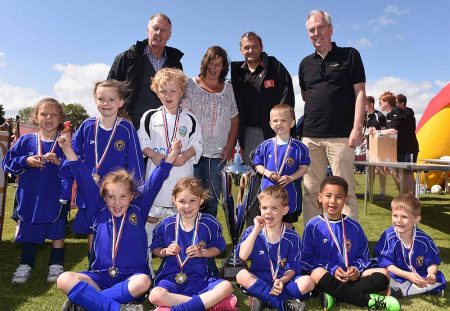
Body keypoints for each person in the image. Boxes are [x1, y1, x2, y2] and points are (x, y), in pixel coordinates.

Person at [56, 133, 181, 311]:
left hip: (132, 278)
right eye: (111, 197)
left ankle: (86, 304)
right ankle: (116, 308)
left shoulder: (139, 208)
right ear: (104, 197)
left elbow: (156, 180)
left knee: (144, 281)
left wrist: (172, 155)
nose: (117, 202)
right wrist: (68, 149)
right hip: (100, 277)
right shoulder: (98, 209)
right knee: (64, 279)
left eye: (123, 196)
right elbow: (83, 178)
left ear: (132, 196)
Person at [299, 10, 366, 225]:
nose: (316, 33)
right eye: (311, 30)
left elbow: (360, 93)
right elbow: (307, 96)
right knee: (311, 193)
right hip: (310, 137)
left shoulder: (350, 55)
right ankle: (314, 240)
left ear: (330, 29)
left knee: (344, 193)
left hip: (341, 136)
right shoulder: (305, 64)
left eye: (320, 28)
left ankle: (349, 244)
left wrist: (357, 127)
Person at [137, 68, 202, 276]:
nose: (168, 95)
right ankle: (145, 262)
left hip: (181, 177)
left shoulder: (190, 119)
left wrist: (186, 154)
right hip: (156, 179)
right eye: (163, 91)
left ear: (181, 92)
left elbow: (198, 144)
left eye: (173, 91)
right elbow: (142, 142)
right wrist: (153, 155)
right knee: (150, 220)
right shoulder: (149, 117)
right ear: (156, 92)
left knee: (179, 223)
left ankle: (176, 266)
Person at [301, 176, 400, 311]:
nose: (332, 201)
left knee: (383, 274)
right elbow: (306, 260)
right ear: (320, 197)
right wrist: (332, 269)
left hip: (351, 278)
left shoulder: (354, 227)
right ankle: (369, 301)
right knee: (317, 273)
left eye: (338, 197)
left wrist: (356, 270)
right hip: (327, 277)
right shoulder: (313, 226)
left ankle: (335, 295)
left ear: (346, 200)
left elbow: (363, 257)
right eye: (328, 196)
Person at [71, 80, 145, 257]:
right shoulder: (87, 125)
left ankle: (115, 263)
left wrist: (136, 188)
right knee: (93, 228)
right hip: (90, 188)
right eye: (101, 99)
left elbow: (135, 161)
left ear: (120, 102)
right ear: (95, 100)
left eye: (111, 100)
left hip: (116, 191)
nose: (106, 103)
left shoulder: (126, 128)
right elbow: (74, 154)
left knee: (116, 225)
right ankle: (94, 264)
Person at [2, 98, 72, 284]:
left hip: (56, 198)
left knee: (57, 232)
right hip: (30, 198)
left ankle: (56, 264)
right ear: (35, 117)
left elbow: (74, 167)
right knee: (30, 231)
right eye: (44, 114)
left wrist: (59, 163)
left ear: (60, 119)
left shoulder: (65, 143)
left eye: (54, 114)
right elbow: (7, 164)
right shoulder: (25, 141)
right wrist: (26, 161)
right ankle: (26, 264)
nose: (49, 118)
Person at [231, 31, 295, 226]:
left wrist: (281, 128)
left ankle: (281, 226)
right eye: (246, 47)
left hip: (273, 135)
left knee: (275, 180)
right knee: (251, 183)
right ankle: (253, 226)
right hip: (249, 133)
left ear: (261, 47)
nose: (250, 50)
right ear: (241, 50)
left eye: (254, 46)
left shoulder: (274, 67)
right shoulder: (237, 72)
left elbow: (287, 96)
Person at [148, 177, 237, 311]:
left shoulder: (209, 223)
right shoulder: (166, 224)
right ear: (174, 200)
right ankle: (209, 305)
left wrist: (203, 252)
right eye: (182, 201)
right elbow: (155, 248)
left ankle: (177, 307)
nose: (187, 206)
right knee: (155, 295)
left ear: (201, 200)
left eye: (192, 201)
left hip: (202, 277)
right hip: (172, 278)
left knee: (227, 287)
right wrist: (165, 251)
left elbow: (219, 248)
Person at [236, 186, 315, 311]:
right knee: (241, 275)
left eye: (274, 208)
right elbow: (242, 256)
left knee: (308, 282)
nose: (268, 211)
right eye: (264, 207)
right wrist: (256, 229)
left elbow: (293, 267)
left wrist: (282, 281)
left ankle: (263, 299)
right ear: (260, 209)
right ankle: (285, 304)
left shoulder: (292, 237)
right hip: (259, 280)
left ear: (285, 210)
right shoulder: (252, 232)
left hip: (284, 283)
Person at [183, 45, 239, 217]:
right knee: (190, 198)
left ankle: (208, 240)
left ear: (224, 67)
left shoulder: (228, 89)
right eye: (211, 63)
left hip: (218, 154)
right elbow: (181, 118)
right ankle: (190, 238)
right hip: (193, 153)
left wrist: (230, 147)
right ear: (205, 63)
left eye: (219, 64)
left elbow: (235, 120)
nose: (214, 68)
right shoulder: (189, 85)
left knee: (213, 200)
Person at [108, 13, 183, 129]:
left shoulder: (175, 65)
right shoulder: (126, 58)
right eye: (155, 28)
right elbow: (109, 92)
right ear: (148, 30)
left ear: (169, 35)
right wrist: (122, 117)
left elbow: (180, 97)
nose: (158, 33)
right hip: (129, 128)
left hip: (162, 131)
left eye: (163, 30)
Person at [374, 194, 446, 298]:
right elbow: (386, 264)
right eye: (395, 216)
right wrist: (407, 275)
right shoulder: (389, 236)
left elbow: (433, 262)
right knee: (382, 275)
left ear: (416, 220)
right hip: (396, 273)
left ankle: (401, 291)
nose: (398, 220)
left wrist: (431, 274)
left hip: (418, 274)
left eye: (404, 217)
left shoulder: (424, 240)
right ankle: (415, 289)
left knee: (437, 279)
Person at [253, 104, 310, 228]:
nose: (279, 123)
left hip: (290, 194)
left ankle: (289, 245)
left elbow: (304, 169)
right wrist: (268, 173)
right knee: (268, 224)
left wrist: (290, 178)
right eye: (275, 120)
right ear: (270, 124)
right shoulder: (265, 146)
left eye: (283, 120)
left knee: (287, 225)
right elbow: (258, 166)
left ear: (292, 123)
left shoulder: (299, 147)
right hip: (268, 195)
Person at [367, 91, 419, 195]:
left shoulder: (398, 111)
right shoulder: (388, 116)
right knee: (394, 171)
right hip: (397, 148)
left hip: (408, 148)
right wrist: (374, 131)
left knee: (407, 173)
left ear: (387, 102)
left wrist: (377, 131)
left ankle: (412, 199)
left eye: (380, 101)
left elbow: (394, 131)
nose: (379, 104)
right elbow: (387, 133)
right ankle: (403, 196)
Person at [364, 95, 387, 198]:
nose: (363, 106)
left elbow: (385, 132)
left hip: (380, 147)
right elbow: (363, 131)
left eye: (365, 104)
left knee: (380, 169)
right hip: (369, 147)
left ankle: (383, 192)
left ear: (371, 104)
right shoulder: (365, 116)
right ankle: (369, 191)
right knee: (369, 169)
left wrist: (376, 132)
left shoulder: (380, 116)